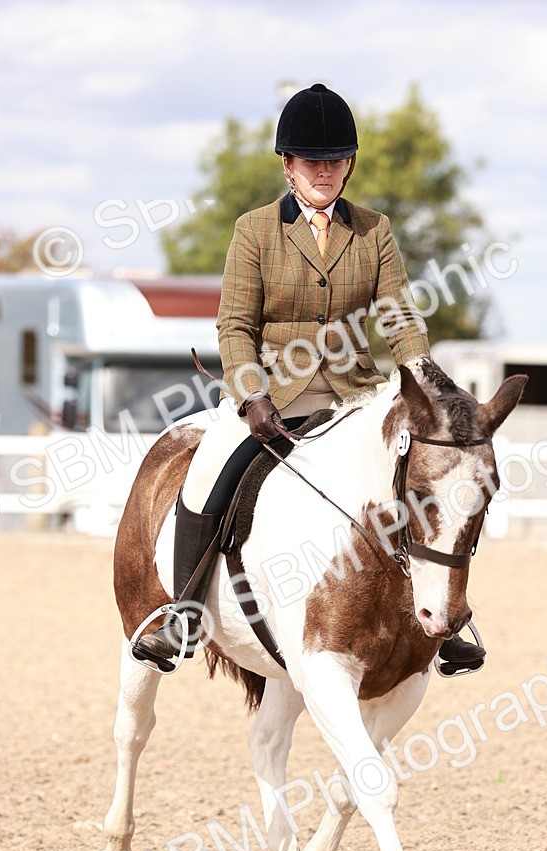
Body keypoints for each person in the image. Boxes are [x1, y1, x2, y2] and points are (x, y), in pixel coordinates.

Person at [133, 83, 484, 677]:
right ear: (289, 165)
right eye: (312, 161)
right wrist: (250, 395)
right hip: (272, 396)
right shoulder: (255, 231)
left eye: (335, 160)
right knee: (207, 473)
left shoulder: (374, 231)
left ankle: (447, 617)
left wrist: (428, 386)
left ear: (348, 165)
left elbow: (399, 318)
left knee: (432, 477)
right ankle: (187, 610)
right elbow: (236, 325)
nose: (325, 171)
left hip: (355, 394)